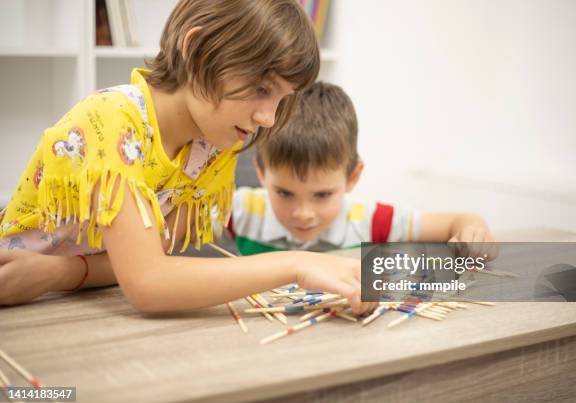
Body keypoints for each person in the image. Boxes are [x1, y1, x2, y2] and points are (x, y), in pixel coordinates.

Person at [0, 0, 373, 315]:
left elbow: (148, 260)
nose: (268, 119)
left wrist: (59, 274)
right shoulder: (113, 120)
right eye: (261, 88)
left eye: (282, 99)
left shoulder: (214, 145)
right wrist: (296, 263)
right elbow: (148, 283)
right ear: (195, 49)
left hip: (63, 304)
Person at [228, 82, 497, 259]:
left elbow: (456, 222)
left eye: (322, 195)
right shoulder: (243, 210)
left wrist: (473, 230)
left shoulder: (371, 220)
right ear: (261, 173)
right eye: (285, 193)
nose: (303, 213)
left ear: (352, 177)